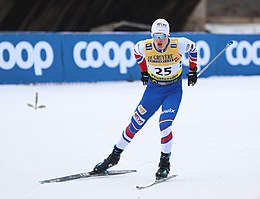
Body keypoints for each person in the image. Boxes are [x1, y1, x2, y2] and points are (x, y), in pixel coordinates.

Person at [92, 18, 198, 179]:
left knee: (165, 124)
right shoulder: (144, 46)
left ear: (168, 35)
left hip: (173, 91)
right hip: (153, 91)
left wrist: (193, 70)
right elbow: (136, 53)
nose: (159, 40)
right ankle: (114, 156)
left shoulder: (179, 44)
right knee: (135, 123)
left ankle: (164, 163)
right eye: (156, 35)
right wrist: (143, 71)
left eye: (162, 35)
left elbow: (193, 48)